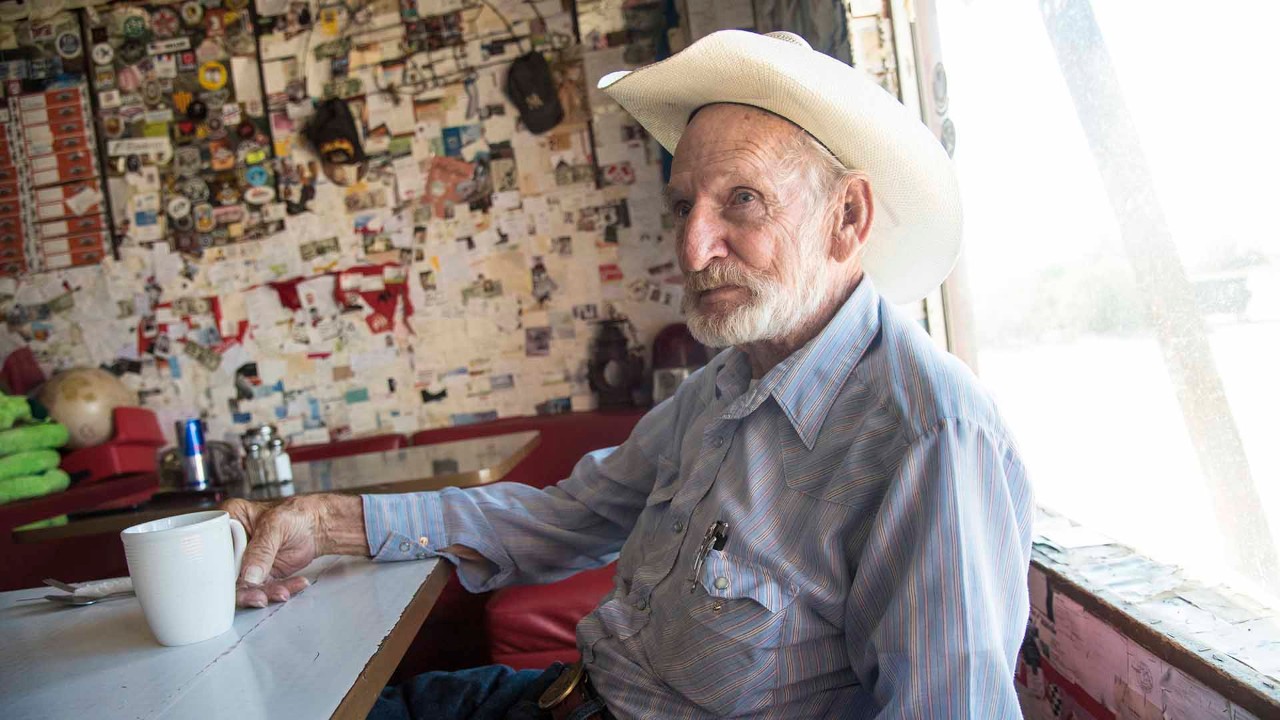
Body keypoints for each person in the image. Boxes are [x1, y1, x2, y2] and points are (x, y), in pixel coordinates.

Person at [224, 30, 1032, 719]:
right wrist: (327, 523)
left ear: (847, 217)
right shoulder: (728, 384)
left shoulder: (929, 436)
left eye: (742, 200)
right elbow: (561, 519)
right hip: (568, 695)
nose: (691, 247)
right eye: (685, 205)